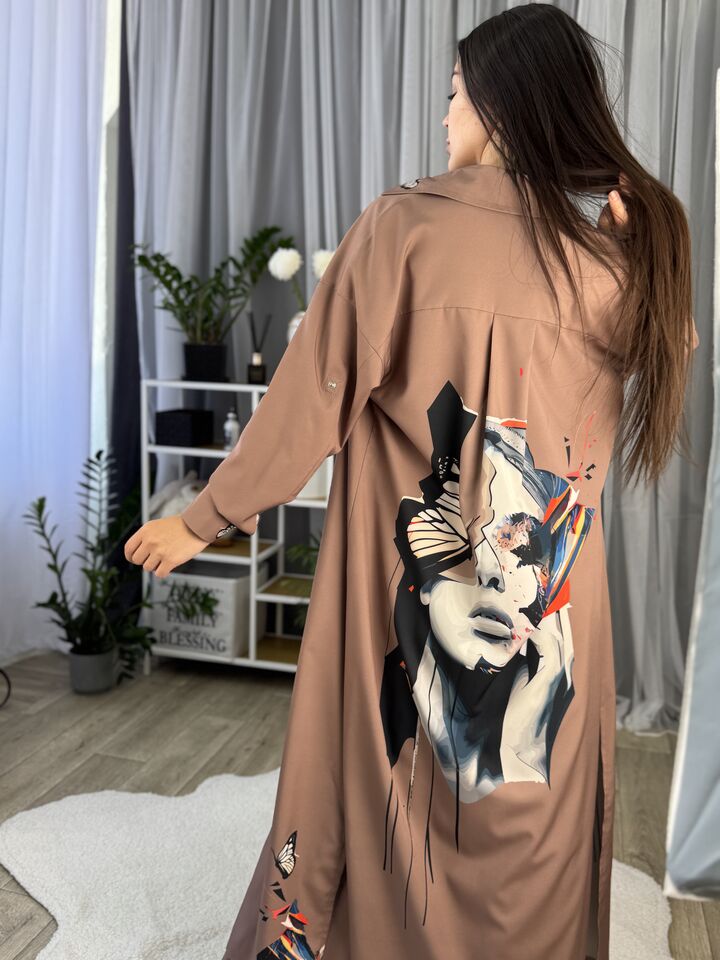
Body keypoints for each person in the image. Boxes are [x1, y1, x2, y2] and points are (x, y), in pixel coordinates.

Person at [124, 5, 699, 958]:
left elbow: (311, 395)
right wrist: (635, 245)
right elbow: (675, 343)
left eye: (456, 95)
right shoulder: (612, 266)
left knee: (384, 779)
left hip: (415, 594)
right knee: (534, 803)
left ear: (502, 108)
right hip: (552, 615)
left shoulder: (403, 227)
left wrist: (206, 516)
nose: (444, 116)